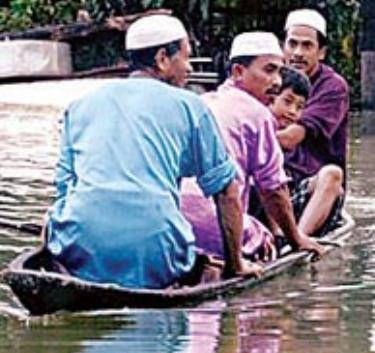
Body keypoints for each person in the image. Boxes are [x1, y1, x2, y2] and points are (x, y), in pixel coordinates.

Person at [44, 14, 261, 289]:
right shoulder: (191, 106)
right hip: (157, 253)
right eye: (186, 57)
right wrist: (235, 264)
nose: (190, 68)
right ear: (162, 59)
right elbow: (227, 192)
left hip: (80, 249)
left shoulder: (80, 105)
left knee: (52, 224)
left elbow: (65, 189)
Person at [182, 32, 323, 259]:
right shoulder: (258, 114)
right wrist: (297, 239)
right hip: (215, 223)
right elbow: (273, 189)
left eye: (279, 71)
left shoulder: (202, 102)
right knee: (264, 241)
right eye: (269, 70)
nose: (277, 81)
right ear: (238, 71)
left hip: (174, 223)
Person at [278, 8, 349, 236]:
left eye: (307, 46)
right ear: (283, 47)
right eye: (292, 44)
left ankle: (296, 240)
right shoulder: (272, 79)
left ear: (321, 52)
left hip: (309, 185)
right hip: (274, 181)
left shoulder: (333, 87)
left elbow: (290, 139)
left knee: (331, 174)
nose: (297, 53)